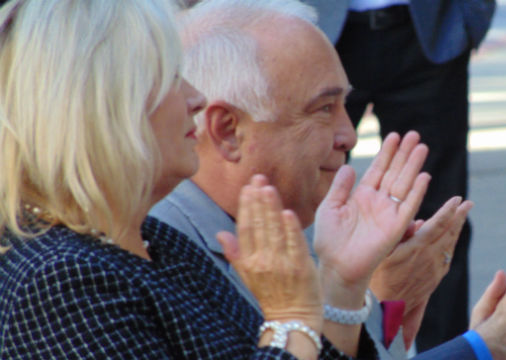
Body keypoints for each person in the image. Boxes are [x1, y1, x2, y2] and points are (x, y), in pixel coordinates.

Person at [154, 1, 506, 359]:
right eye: (323, 109)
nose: (347, 135)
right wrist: (492, 345)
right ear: (227, 130)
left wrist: (386, 302)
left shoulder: (288, 222)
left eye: (345, 105)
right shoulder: (162, 250)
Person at [0, 0, 405, 358]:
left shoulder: (155, 242)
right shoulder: (60, 282)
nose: (195, 97)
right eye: (173, 76)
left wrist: (343, 286)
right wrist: (291, 319)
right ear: (105, 104)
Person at [300, 0, 496, 351]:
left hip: (425, 37)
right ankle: (302, 344)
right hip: (321, 35)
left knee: (441, 217)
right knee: (295, 199)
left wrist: (468, 21)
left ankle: (446, 352)